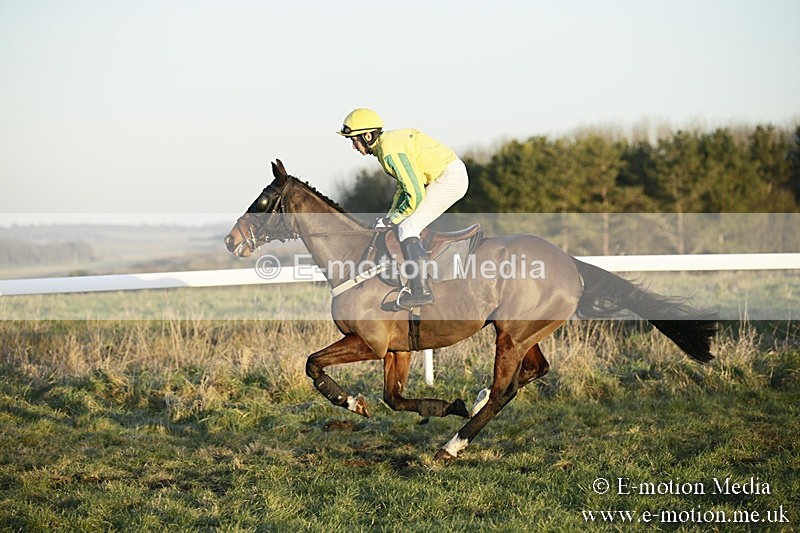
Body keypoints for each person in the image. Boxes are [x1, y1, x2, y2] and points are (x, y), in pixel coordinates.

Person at [337, 108, 469, 308]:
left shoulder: (389, 150)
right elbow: (402, 187)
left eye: (354, 140)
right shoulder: (386, 147)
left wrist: (394, 219)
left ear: (367, 135)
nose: (354, 147)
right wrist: (389, 217)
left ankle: (421, 292)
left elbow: (415, 193)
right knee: (402, 223)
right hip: (446, 175)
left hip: (450, 179)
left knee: (408, 228)